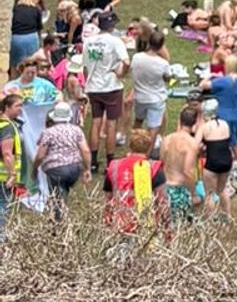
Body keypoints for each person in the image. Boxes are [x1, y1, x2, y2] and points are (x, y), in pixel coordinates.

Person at [81, 12, 129, 167]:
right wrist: (121, 73)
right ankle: (110, 160)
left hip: (93, 85)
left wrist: (88, 80)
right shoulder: (115, 41)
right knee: (111, 123)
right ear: (112, 25)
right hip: (111, 86)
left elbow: (85, 66)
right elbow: (126, 62)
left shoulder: (89, 42)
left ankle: (93, 161)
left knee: (95, 122)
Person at [6, 57, 58, 194]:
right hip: (20, 127)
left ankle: (40, 183)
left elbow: (57, 95)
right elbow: (4, 100)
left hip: (40, 126)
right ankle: (23, 184)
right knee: (23, 154)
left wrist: (56, 102)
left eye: (34, 73)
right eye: (28, 73)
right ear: (21, 71)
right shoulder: (13, 86)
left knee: (40, 154)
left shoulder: (43, 84)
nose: (31, 76)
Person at [200, 56, 237, 182]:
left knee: (234, 144)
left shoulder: (223, 82)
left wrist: (209, 76)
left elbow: (203, 86)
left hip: (226, 116)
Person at [34, 101, 89, 206]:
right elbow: (85, 150)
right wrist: (87, 169)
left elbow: (40, 155)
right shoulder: (76, 130)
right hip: (74, 168)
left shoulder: (48, 132)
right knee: (63, 191)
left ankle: (59, 218)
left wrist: (34, 169)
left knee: (57, 197)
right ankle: (62, 209)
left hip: (55, 169)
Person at [106, 129, 160, 231]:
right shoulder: (154, 168)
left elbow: (108, 198)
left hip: (119, 221)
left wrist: (107, 218)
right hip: (144, 222)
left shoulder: (114, 165)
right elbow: (162, 200)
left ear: (130, 146)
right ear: (148, 147)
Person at [157, 104, 202, 221]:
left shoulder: (166, 139)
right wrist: (194, 194)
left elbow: (161, 162)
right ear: (195, 124)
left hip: (164, 187)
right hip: (179, 189)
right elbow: (188, 171)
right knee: (181, 226)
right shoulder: (191, 143)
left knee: (165, 224)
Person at [193, 97, 236, 218]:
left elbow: (195, 145)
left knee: (209, 193)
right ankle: (227, 216)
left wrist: (202, 149)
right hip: (227, 161)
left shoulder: (204, 127)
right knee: (222, 189)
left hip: (212, 162)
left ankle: (210, 220)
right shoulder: (225, 124)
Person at [128, 27, 171, 133]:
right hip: (156, 99)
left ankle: (134, 145)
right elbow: (167, 78)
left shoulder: (136, 57)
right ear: (161, 46)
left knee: (138, 121)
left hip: (140, 97)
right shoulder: (163, 64)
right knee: (153, 127)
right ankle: (149, 149)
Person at [11, 0, 44, 70]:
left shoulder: (14, 10)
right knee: (32, 65)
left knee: (15, 66)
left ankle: (14, 81)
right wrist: (40, 44)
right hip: (31, 37)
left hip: (16, 38)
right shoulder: (36, 10)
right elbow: (39, 29)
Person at [0, 94, 22, 197]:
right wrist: (12, 174)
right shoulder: (7, 127)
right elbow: (7, 153)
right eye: (17, 106)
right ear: (7, 107)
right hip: (4, 177)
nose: (20, 109)